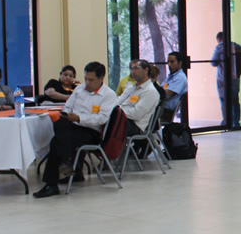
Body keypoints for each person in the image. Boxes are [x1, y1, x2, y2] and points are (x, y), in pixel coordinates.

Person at [33, 62, 119, 199]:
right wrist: (68, 115)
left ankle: (55, 178)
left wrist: (79, 118)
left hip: (91, 131)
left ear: (101, 78)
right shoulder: (79, 90)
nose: (87, 83)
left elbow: (102, 119)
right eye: (86, 78)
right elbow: (67, 107)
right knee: (60, 124)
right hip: (71, 126)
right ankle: (67, 164)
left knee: (56, 142)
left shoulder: (108, 95)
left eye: (91, 80)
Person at [117, 59, 161, 137]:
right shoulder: (131, 87)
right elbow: (117, 102)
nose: (133, 72)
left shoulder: (150, 91)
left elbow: (136, 114)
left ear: (146, 70)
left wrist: (118, 111)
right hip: (123, 118)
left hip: (134, 125)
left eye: (136, 68)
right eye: (131, 69)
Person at [211, 32, 241, 126]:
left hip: (223, 79)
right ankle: (236, 122)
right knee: (235, 100)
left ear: (219, 39)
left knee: (224, 100)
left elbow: (213, 63)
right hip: (235, 77)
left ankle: (226, 122)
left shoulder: (219, 48)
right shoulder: (237, 46)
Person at [160, 52, 188, 123]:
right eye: (168, 62)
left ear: (179, 63)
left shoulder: (180, 78)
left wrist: (162, 92)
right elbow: (162, 90)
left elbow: (166, 94)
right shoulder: (171, 76)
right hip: (160, 107)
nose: (169, 65)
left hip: (165, 111)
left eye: (172, 62)